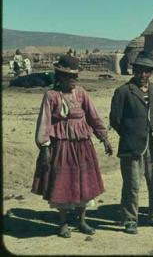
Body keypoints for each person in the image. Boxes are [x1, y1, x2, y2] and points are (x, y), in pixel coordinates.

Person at [31, 55, 113, 238]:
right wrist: (44, 148)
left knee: (85, 183)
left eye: (75, 77)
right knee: (62, 183)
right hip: (61, 146)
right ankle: (63, 223)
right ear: (59, 77)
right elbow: (44, 122)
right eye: (70, 77)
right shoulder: (51, 96)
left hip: (83, 145)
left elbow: (93, 116)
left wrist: (104, 138)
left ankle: (82, 220)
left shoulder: (82, 93)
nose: (74, 80)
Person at [110, 51, 153, 234]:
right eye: (139, 71)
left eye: (146, 71)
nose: (142, 75)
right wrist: (130, 134)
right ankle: (129, 219)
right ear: (133, 70)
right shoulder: (122, 92)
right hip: (132, 146)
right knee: (132, 185)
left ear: (151, 73)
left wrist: (151, 131)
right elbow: (115, 120)